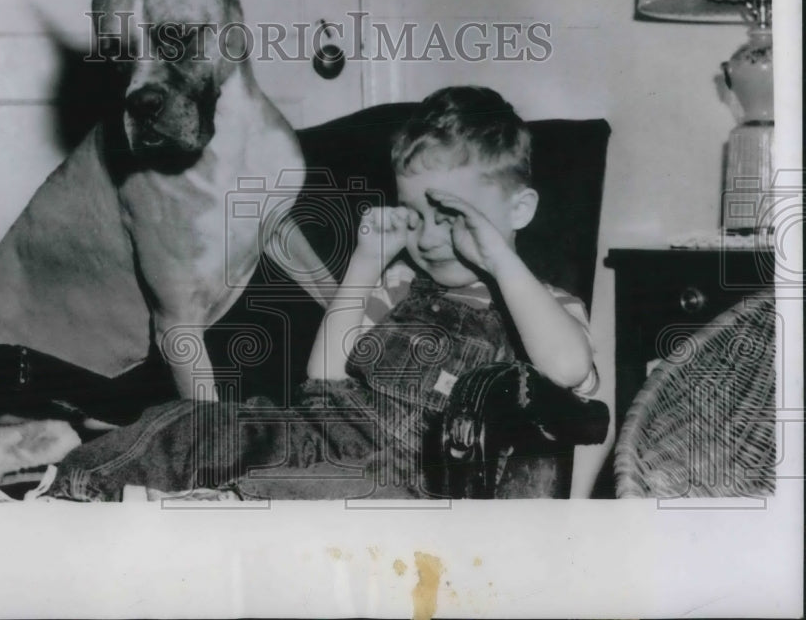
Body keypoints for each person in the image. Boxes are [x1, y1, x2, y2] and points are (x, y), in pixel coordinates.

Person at [44, 86, 599, 501]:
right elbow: (323, 378)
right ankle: (73, 496)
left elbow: (570, 369)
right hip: (318, 429)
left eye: (453, 217)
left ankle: (211, 512)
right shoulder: (402, 284)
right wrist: (364, 264)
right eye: (415, 213)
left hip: (413, 480)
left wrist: (501, 262)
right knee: (200, 423)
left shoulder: (544, 307)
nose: (428, 237)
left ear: (519, 210)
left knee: (309, 493)